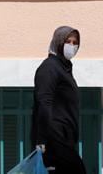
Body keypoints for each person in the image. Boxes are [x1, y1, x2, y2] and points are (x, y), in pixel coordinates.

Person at [32, 26, 86, 174]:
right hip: (53, 139)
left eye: (75, 42)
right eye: (68, 41)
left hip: (64, 138)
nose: (72, 46)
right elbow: (44, 102)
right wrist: (41, 141)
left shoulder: (64, 68)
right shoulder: (49, 68)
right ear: (58, 42)